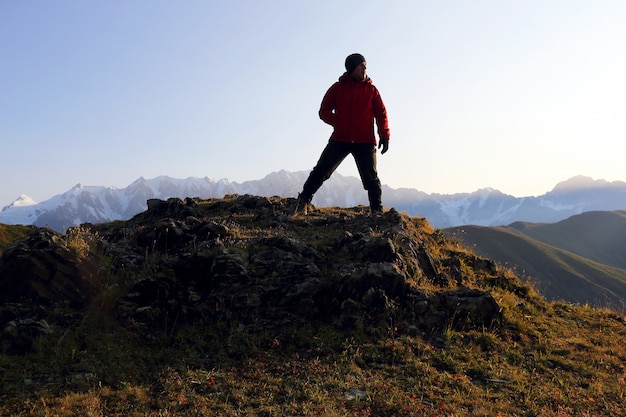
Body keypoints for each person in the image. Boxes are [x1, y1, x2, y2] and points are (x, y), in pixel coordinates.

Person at [294, 53, 390, 216]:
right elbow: (323, 111)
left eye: (365, 65)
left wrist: (384, 135)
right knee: (321, 171)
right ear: (352, 68)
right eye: (361, 65)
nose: (365, 68)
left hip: (365, 140)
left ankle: (377, 211)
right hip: (341, 138)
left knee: (371, 178)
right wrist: (339, 123)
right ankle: (302, 203)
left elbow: (381, 114)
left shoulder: (372, 90)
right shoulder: (337, 88)